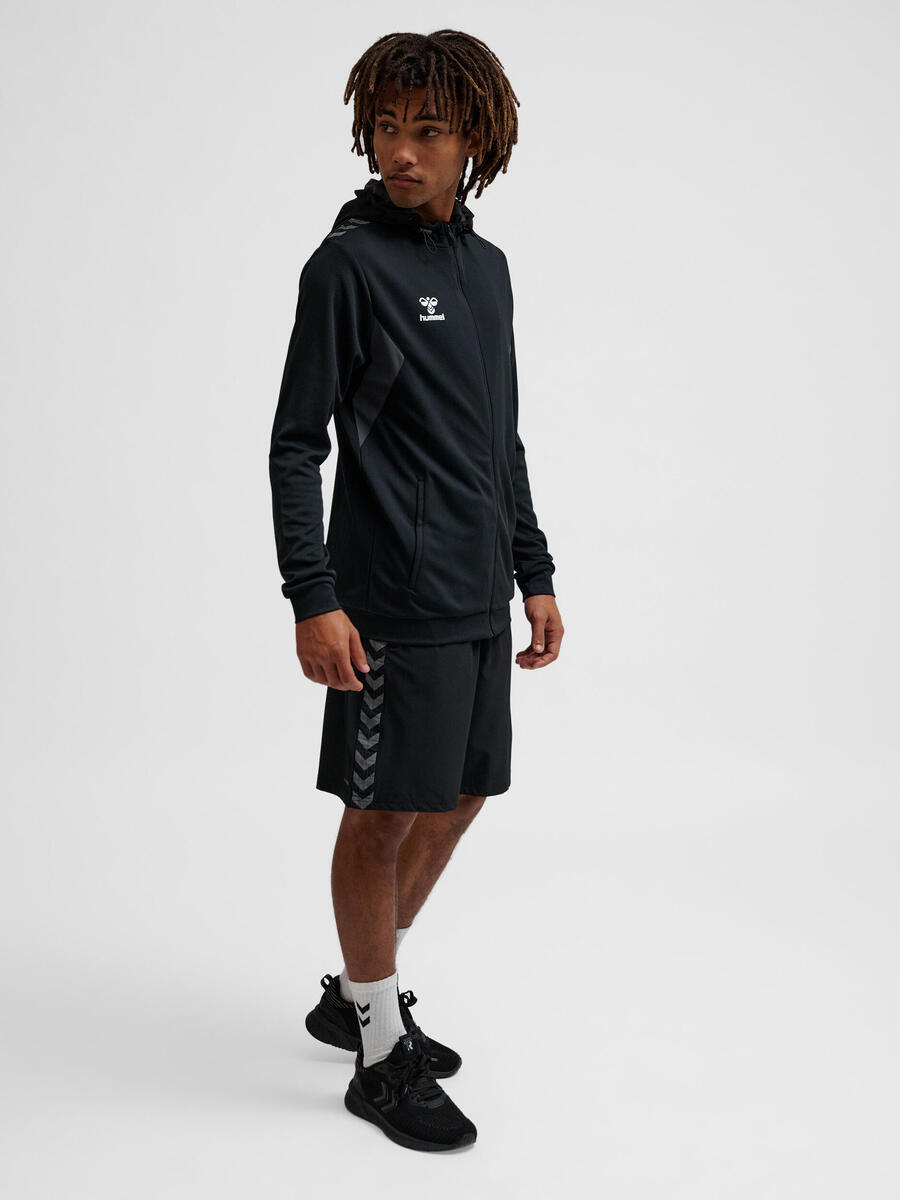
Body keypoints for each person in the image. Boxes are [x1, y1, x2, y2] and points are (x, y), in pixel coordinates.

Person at [268, 29, 565, 1152]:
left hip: (476, 594)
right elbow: (295, 445)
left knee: (462, 795)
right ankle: (378, 1051)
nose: (401, 150)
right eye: (387, 128)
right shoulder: (347, 268)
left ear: (473, 137)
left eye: (427, 130)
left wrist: (534, 571)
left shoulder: (488, 271)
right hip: (389, 595)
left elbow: (501, 439)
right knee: (382, 810)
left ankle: (359, 994)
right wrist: (313, 595)